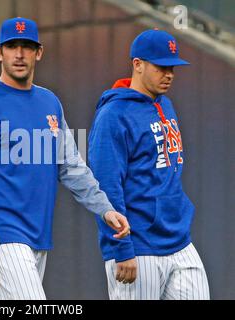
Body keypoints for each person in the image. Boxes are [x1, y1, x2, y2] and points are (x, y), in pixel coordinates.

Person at [0, 17, 130, 300]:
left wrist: (105, 209)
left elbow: (71, 165)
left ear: (39, 52)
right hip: (4, 234)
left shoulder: (50, 102)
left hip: (38, 234)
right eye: (12, 46)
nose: (20, 54)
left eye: (27, 46)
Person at [88, 29, 210, 300]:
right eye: (161, 67)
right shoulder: (113, 115)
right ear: (138, 64)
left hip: (179, 241)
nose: (168, 74)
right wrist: (121, 248)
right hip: (138, 246)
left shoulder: (165, 104)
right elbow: (106, 186)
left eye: (172, 68)